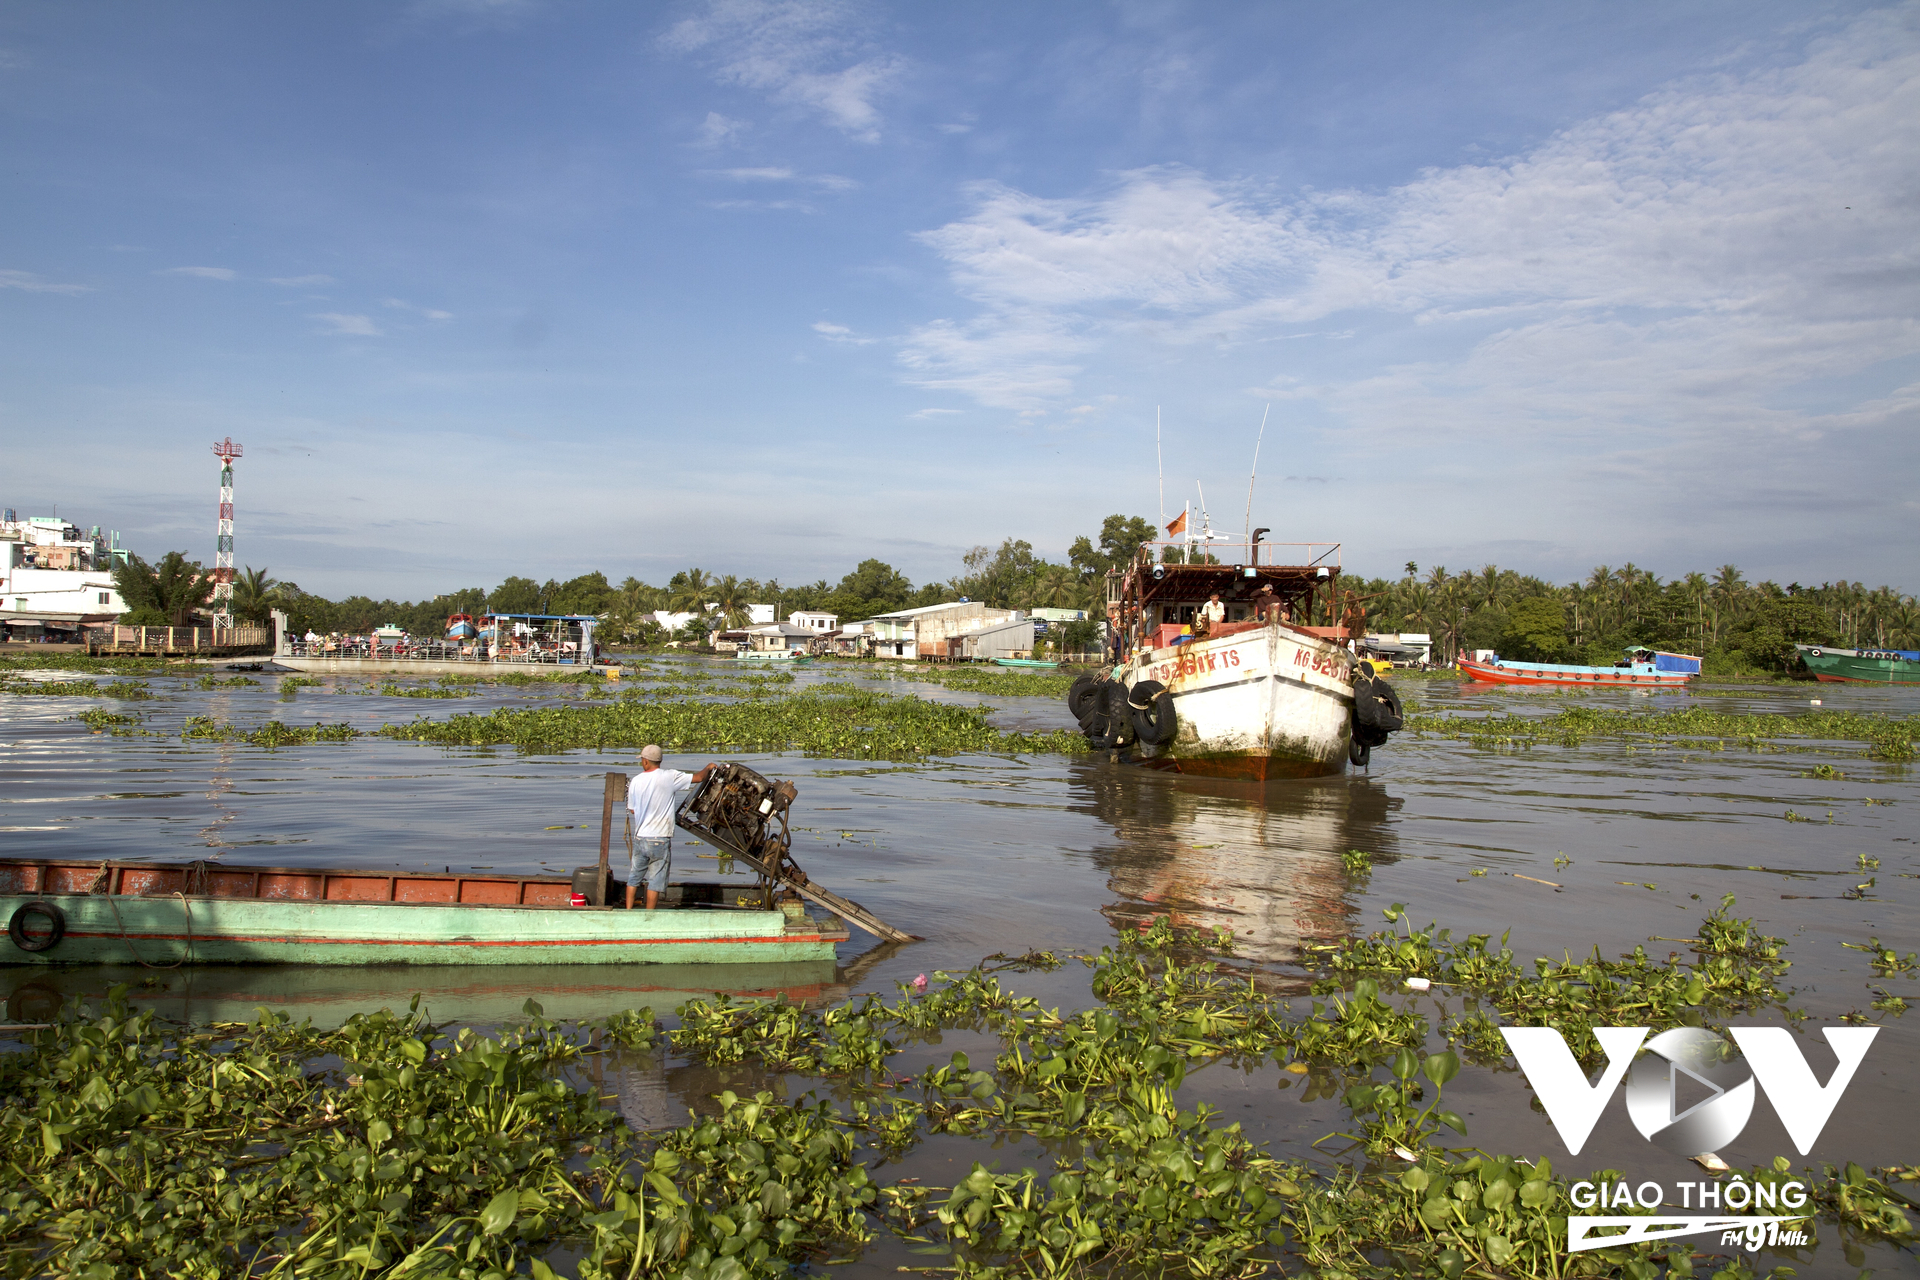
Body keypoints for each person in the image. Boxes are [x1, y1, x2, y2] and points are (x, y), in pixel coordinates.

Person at [625, 744, 717, 910]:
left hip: (640, 838)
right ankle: (649, 915)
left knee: (634, 877)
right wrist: (708, 767)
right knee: (655, 879)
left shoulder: (636, 781)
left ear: (645, 762)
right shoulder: (669, 777)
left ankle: (628, 910)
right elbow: (698, 778)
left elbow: (632, 809)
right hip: (659, 838)